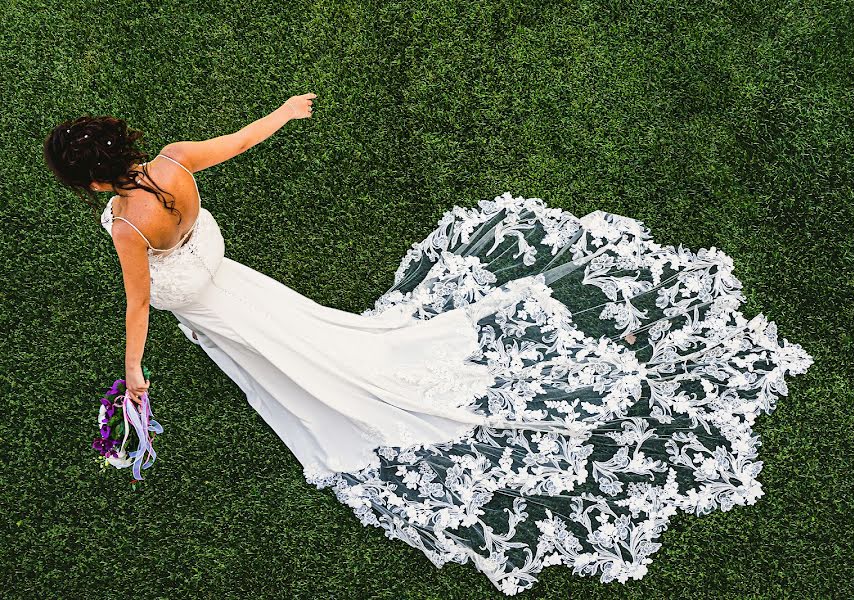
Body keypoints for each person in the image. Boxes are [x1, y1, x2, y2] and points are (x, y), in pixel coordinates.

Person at [43, 95, 814, 595]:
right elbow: (244, 139)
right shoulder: (176, 163)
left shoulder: (125, 226)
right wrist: (287, 111)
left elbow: (138, 301)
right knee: (309, 333)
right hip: (227, 271)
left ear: (92, 184)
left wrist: (134, 371)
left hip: (216, 304)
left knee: (296, 361)